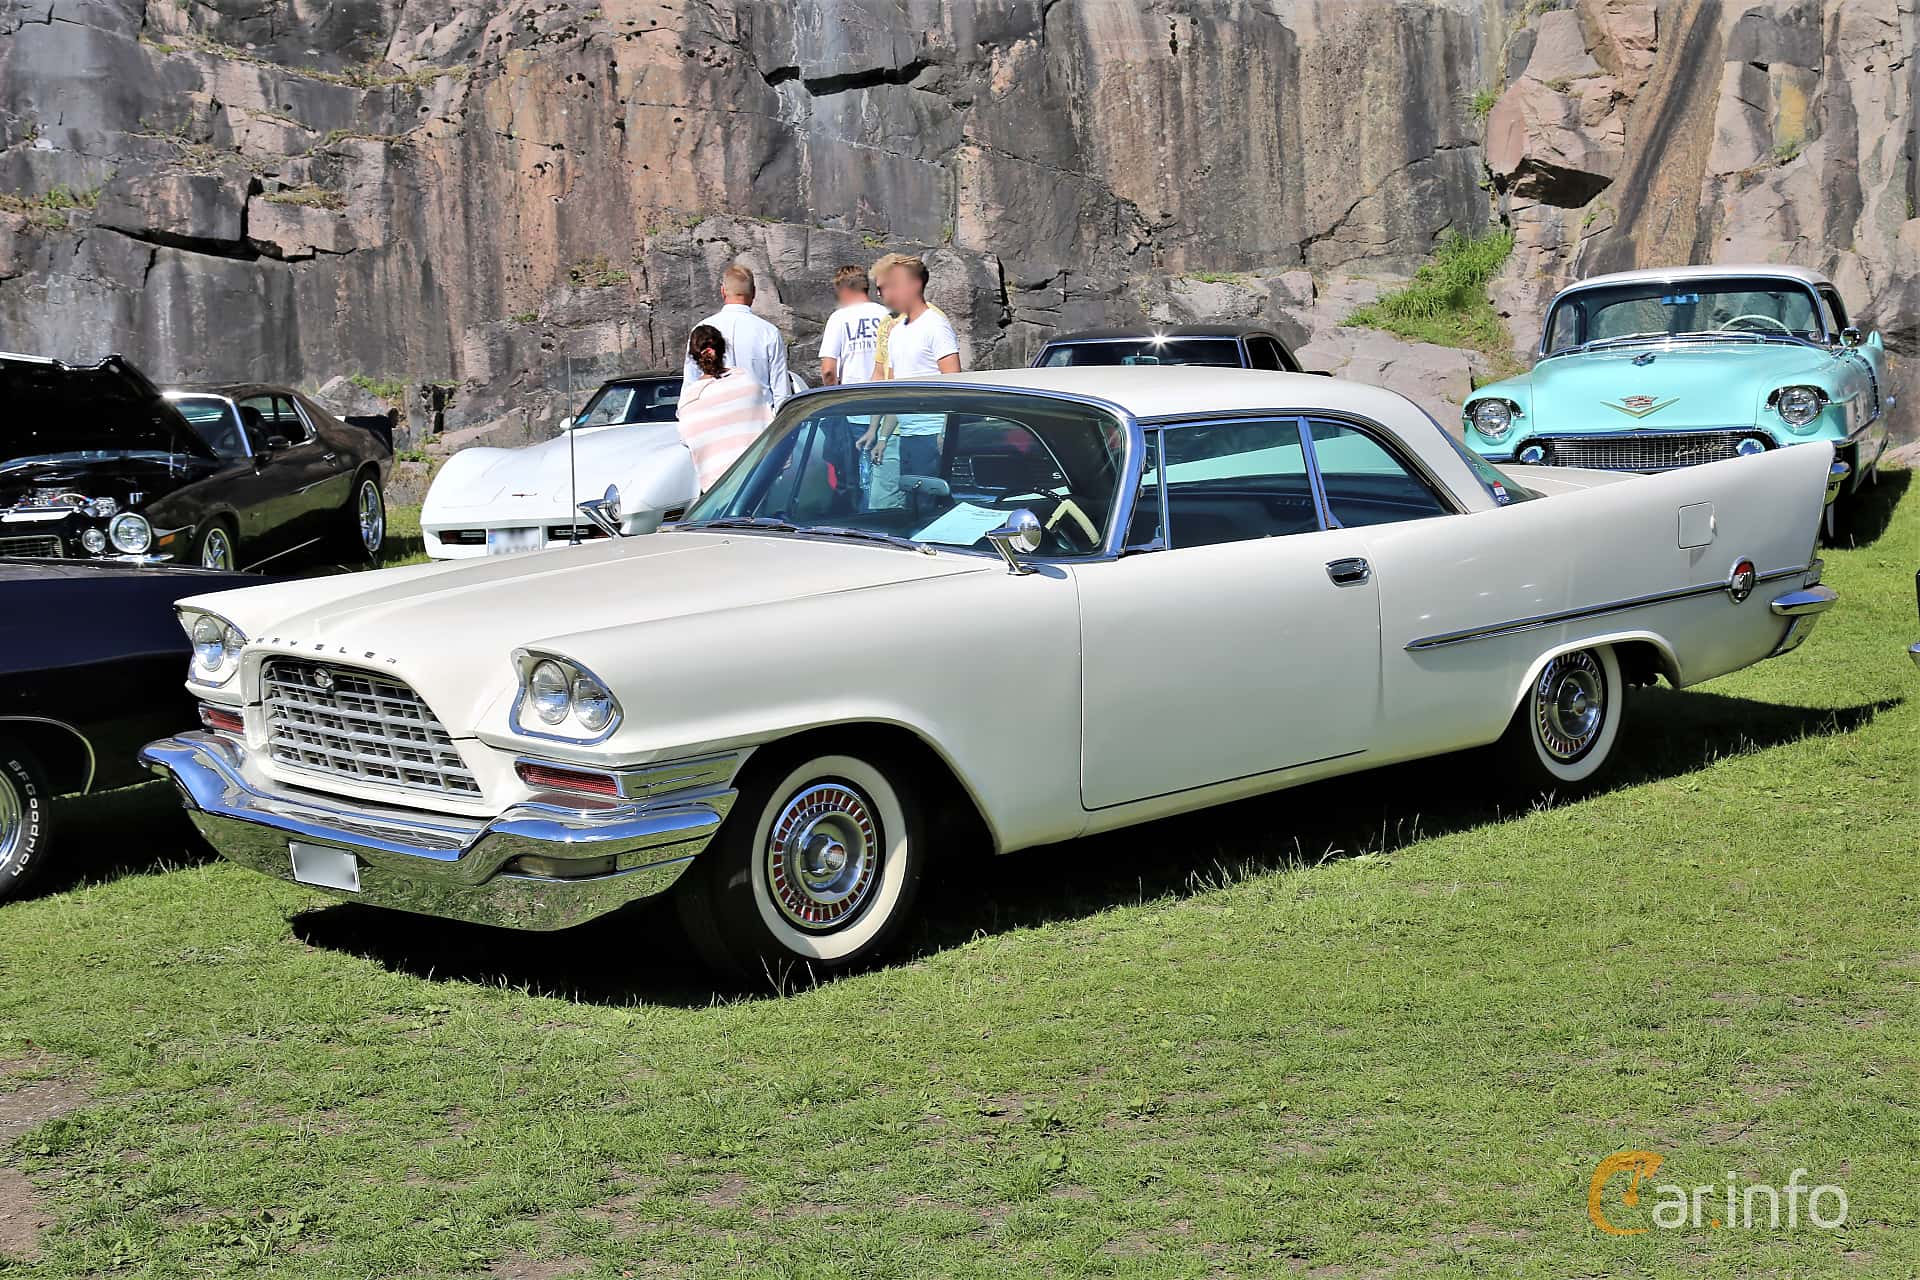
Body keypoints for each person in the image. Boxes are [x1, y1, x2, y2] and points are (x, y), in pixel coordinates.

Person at [865, 255, 961, 508]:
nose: (883, 295)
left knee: (928, 506)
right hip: (907, 435)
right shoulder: (896, 332)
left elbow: (954, 384)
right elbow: (898, 392)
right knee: (911, 507)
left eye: (889, 287)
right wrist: (884, 437)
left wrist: (945, 434)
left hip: (932, 435)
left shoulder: (936, 326)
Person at [675, 325, 772, 492]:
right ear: (723, 349)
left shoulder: (689, 400)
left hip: (719, 489)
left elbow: (687, 440)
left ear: (693, 356)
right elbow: (767, 420)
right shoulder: (747, 381)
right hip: (762, 477)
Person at [681, 264, 791, 409]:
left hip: (713, 415)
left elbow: (690, 384)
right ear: (754, 293)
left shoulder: (701, 330)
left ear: (723, 291)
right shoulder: (769, 332)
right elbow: (781, 391)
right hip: (758, 417)